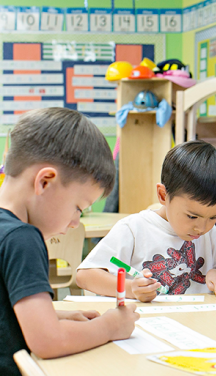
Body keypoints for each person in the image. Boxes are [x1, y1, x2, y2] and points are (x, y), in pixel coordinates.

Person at [0, 107, 139, 376]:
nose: (76, 222)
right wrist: (111, 326)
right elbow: (48, 342)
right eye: (78, 207)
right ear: (45, 182)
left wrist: (55, 316)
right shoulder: (23, 239)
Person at [77, 140, 216, 302]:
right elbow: (85, 276)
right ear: (163, 195)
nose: (202, 228)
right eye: (192, 216)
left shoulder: (208, 232)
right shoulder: (133, 229)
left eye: (214, 217)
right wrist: (130, 289)